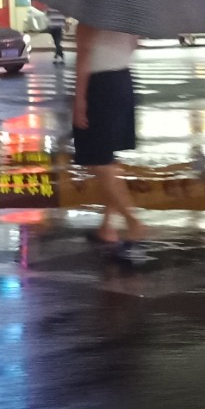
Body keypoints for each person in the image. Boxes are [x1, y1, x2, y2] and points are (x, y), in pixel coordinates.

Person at [73, 22, 144, 262]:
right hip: (123, 81)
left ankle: (133, 221)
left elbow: (83, 59)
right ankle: (107, 226)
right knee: (108, 158)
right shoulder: (128, 18)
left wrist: (80, 100)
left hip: (99, 87)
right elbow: (134, 45)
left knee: (98, 161)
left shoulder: (89, 20)